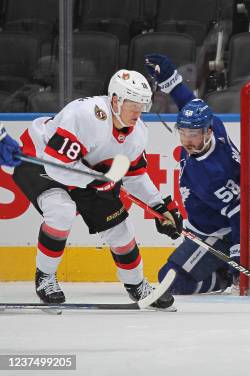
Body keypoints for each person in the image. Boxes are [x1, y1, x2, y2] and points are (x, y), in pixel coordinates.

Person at [11, 70, 182, 309]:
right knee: (61, 210)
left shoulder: (138, 133)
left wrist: (159, 206)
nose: (138, 112)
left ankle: (137, 285)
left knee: (121, 229)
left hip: (85, 171)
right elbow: (58, 168)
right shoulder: (84, 115)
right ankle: (45, 277)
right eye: (133, 104)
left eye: (143, 104)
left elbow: (135, 175)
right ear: (115, 100)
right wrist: (95, 181)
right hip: (40, 158)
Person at [144, 54, 241, 295]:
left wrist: (240, 255)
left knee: (170, 280)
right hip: (202, 226)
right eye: (183, 133)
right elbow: (189, 102)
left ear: (206, 132)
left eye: (193, 135)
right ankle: (220, 270)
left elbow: (238, 211)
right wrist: (170, 78)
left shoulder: (213, 172)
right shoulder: (213, 125)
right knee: (168, 274)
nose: (187, 141)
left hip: (218, 234)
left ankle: (224, 279)